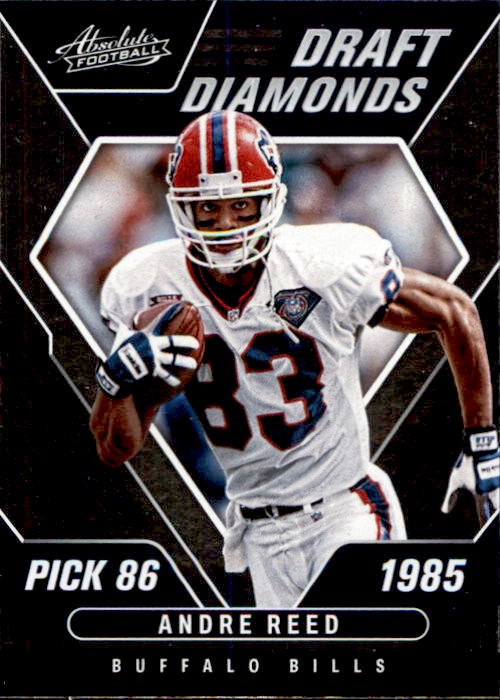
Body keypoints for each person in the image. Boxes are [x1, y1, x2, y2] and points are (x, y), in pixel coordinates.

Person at [90, 110, 499, 608]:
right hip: (253, 533)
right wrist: (114, 382)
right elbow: (116, 448)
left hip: (344, 512)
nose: (226, 225)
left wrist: (482, 441)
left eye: (242, 205)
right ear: (182, 209)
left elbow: (454, 309)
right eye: (208, 209)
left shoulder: (320, 263)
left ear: (270, 201)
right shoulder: (149, 287)